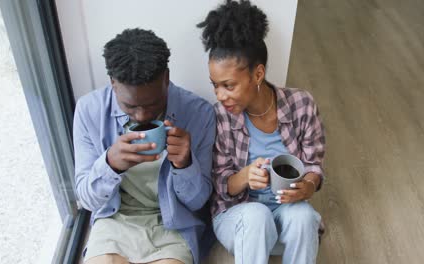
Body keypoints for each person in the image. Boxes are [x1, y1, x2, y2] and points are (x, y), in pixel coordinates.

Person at [197, 1, 325, 263]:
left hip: (285, 216)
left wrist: (307, 187)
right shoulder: (219, 116)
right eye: (215, 85)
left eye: (228, 85)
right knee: (257, 215)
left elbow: (314, 166)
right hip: (239, 219)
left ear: (258, 74)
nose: (220, 95)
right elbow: (221, 187)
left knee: (303, 216)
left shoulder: (302, 104)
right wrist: (244, 176)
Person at [73, 28, 215, 264]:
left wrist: (185, 164)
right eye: (130, 106)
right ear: (113, 84)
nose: (141, 116)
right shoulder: (89, 110)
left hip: (174, 225)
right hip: (113, 221)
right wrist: (110, 165)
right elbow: (87, 200)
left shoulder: (199, 113)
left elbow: (198, 202)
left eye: (152, 105)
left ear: (166, 78)